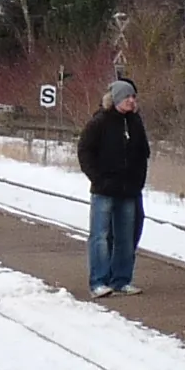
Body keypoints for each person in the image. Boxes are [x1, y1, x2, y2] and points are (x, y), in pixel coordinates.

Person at [77, 75, 152, 297]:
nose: (132, 101)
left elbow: (143, 153)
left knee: (126, 237)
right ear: (116, 99)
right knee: (100, 236)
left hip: (129, 189)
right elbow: (85, 151)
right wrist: (97, 178)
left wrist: (138, 180)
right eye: (127, 97)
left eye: (133, 97)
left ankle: (122, 279)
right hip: (104, 190)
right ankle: (98, 281)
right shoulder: (99, 122)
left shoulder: (135, 122)